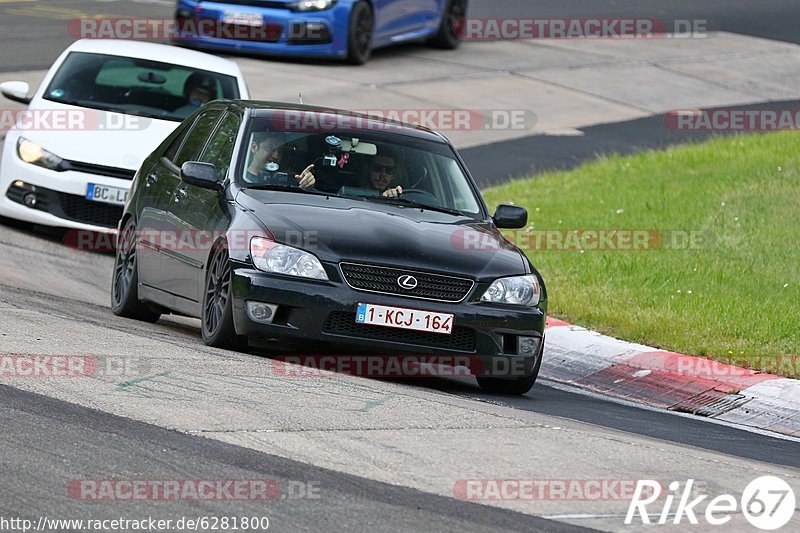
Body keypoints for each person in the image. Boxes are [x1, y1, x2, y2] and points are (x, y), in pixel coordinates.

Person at [244, 133, 316, 190]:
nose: (276, 156)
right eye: (270, 148)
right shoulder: (241, 180)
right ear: (254, 147)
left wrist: (306, 184)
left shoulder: (288, 180)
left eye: (281, 151)